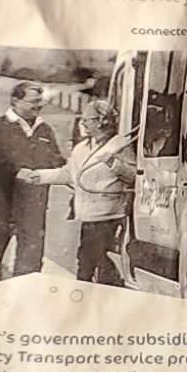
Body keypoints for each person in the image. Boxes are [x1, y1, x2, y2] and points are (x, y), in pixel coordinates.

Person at [0, 84, 60, 287]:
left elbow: (55, 157)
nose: (39, 106)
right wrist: (16, 171)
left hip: (34, 202)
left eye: (40, 101)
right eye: (33, 102)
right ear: (15, 101)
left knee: (32, 248)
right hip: (2, 199)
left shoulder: (44, 129)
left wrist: (68, 170)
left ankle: (24, 291)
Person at [61, 106, 128, 287]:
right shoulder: (82, 147)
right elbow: (68, 173)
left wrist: (114, 163)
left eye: (87, 120)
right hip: (88, 215)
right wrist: (38, 176)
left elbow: (135, 175)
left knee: (100, 263)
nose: (82, 123)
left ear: (101, 121)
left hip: (109, 215)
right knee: (85, 263)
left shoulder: (120, 144)